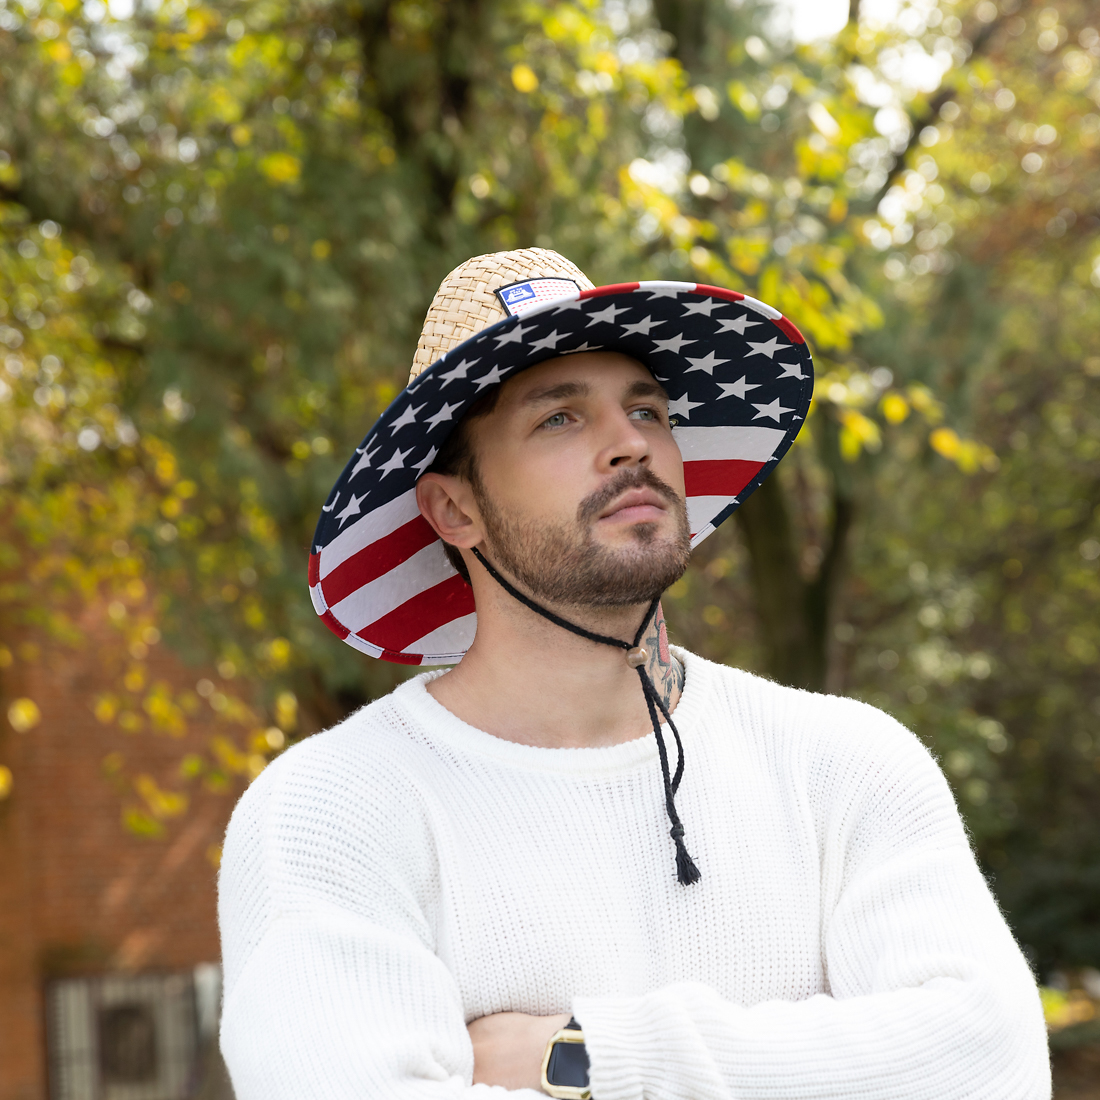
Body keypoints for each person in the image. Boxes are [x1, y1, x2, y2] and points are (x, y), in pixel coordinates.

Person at [218, 249, 1050, 1099]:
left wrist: (591, 1058)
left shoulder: (845, 764)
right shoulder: (331, 810)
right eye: (558, 420)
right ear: (454, 510)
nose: (629, 445)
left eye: (647, 410)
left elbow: (990, 1063)